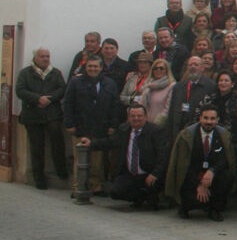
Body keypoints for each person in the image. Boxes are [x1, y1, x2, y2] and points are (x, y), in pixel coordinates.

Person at [81, 103, 169, 210]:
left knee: (153, 191)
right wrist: (91, 143)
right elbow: (110, 142)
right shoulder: (124, 130)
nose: (136, 119)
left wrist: (155, 174)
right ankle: (138, 198)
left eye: (139, 116)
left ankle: (151, 197)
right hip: (130, 174)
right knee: (115, 192)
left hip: (149, 174)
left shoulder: (156, 131)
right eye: (133, 116)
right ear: (128, 118)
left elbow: (163, 156)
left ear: (146, 117)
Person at [62, 56, 122, 196]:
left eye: (96, 66)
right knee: (80, 160)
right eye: (90, 66)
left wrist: (113, 125)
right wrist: (69, 124)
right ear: (86, 67)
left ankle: (95, 186)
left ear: (101, 68)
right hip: (80, 126)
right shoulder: (76, 82)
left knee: (97, 161)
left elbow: (115, 106)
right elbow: (68, 103)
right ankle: (78, 187)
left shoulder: (109, 83)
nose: (93, 69)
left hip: (100, 127)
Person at [164, 104, 235, 221]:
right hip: (191, 177)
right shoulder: (186, 136)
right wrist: (200, 184)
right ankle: (185, 207)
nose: (209, 122)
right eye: (206, 118)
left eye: (212, 119)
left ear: (217, 120)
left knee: (227, 176)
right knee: (193, 197)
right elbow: (183, 164)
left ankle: (214, 209)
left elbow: (224, 160)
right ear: (200, 118)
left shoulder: (224, 136)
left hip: (212, 176)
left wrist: (212, 171)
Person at [15, 48, 69, 189]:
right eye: (42, 56)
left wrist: (49, 99)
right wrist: (37, 98)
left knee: (58, 142)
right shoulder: (25, 73)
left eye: (48, 56)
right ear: (35, 58)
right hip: (32, 115)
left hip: (52, 114)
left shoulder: (55, 72)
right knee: (36, 147)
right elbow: (20, 90)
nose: (46, 59)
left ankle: (61, 171)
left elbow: (62, 89)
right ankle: (39, 178)